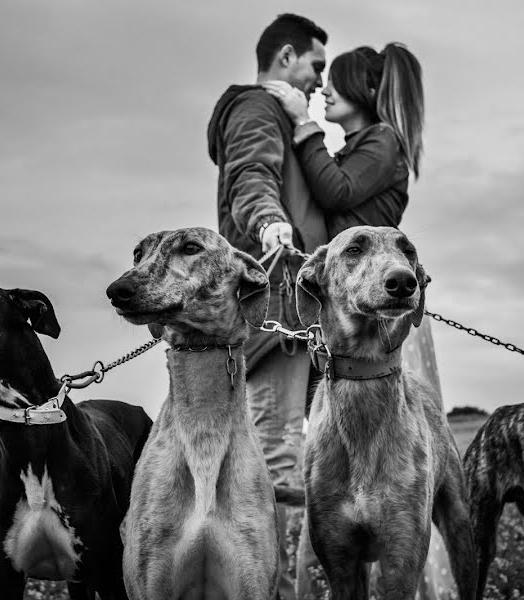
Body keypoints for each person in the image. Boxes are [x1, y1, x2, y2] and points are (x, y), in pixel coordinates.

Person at [265, 43, 455, 599]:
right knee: (337, 472)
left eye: (334, 82)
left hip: (385, 327)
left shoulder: (382, 141)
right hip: (345, 321)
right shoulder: (362, 144)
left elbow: (335, 191)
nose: (323, 91)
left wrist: (302, 125)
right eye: (318, 80)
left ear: (365, 94)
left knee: (401, 483)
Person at [206, 13, 328, 600]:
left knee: (288, 447)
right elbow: (249, 175)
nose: (317, 82)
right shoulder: (257, 109)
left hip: (295, 311)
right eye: (315, 66)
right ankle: (271, 592)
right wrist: (272, 224)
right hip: (277, 303)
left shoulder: (280, 114)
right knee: (277, 453)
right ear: (285, 57)